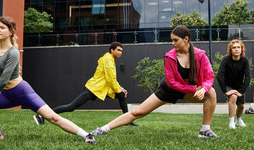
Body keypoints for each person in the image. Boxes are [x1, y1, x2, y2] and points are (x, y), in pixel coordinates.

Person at [0, 16, 96, 144]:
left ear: (11, 31)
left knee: (53, 118)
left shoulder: (13, 52)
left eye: (2, 28)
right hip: (6, 94)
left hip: (22, 92)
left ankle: (86, 135)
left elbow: (3, 80)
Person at [90, 25, 218, 138]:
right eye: (172, 40)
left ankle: (205, 130)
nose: (173, 43)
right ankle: (103, 129)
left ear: (186, 39)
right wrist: (192, 89)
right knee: (138, 112)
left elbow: (209, 76)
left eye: (175, 40)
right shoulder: (170, 56)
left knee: (211, 92)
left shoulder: (200, 55)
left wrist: (203, 89)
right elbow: (172, 82)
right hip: (169, 89)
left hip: (187, 91)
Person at [33, 42, 138, 126]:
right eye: (118, 50)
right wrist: (118, 88)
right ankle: (42, 116)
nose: (120, 52)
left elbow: (111, 78)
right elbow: (111, 78)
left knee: (121, 96)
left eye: (121, 51)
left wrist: (120, 88)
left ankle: (127, 121)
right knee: (71, 107)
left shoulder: (109, 59)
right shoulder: (108, 60)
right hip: (93, 89)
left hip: (100, 89)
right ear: (112, 50)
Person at [217, 39, 250, 129]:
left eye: (238, 47)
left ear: (241, 49)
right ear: (230, 50)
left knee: (241, 105)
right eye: (234, 47)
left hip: (239, 86)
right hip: (228, 85)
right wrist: (225, 91)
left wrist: (241, 91)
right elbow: (219, 75)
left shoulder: (245, 61)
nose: (236, 49)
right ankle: (231, 123)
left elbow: (248, 77)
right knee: (233, 97)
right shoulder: (226, 60)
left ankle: (238, 120)